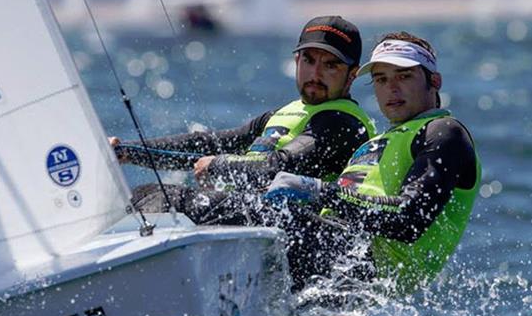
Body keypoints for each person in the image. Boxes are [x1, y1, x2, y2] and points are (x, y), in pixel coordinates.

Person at [265, 31, 481, 294]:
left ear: (434, 81)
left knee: (255, 214)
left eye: (404, 76)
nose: (392, 89)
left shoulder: (445, 132)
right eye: (381, 79)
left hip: (371, 273)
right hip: (331, 252)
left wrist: (319, 191)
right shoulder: (376, 141)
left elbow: (408, 219)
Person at [109, 16, 376, 225]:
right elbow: (206, 145)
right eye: (308, 60)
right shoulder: (280, 115)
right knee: (144, 194)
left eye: (330, 65)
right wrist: (127, 151)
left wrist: (219, 165)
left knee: (172, 198)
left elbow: (282, 165)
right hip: (257, 220)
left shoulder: (344, 123)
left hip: (301, 234)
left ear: (352, 75)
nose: (315, 73)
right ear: (296, 60)